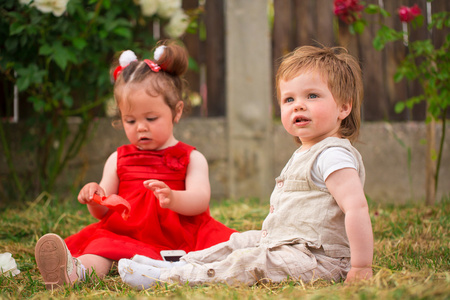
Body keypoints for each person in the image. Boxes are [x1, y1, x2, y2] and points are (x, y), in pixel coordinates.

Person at [117, 45, 374, 289]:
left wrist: (361, 265)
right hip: (288, 245)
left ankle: (173, 277)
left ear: (344, 107)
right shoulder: (307, 152)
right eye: (289, 99)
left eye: (313, 95)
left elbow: (356, 207)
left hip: (319, 260)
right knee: (240, 242)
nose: (298, 105)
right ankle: (176, 263)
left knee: (249, 263)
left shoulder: (333, 155)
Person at [34, 40, 237, 290]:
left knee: (218, 252)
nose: (141, 127)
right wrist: (94, 198)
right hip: (126, 233)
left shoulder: (191, 158)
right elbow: (105, 209)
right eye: (130, 120)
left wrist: (172, 198)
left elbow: (200, 200)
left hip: (178, 234)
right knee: (102, 248)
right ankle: (74, 272)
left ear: (177, 111)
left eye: (151, 118)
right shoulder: (118, 158)